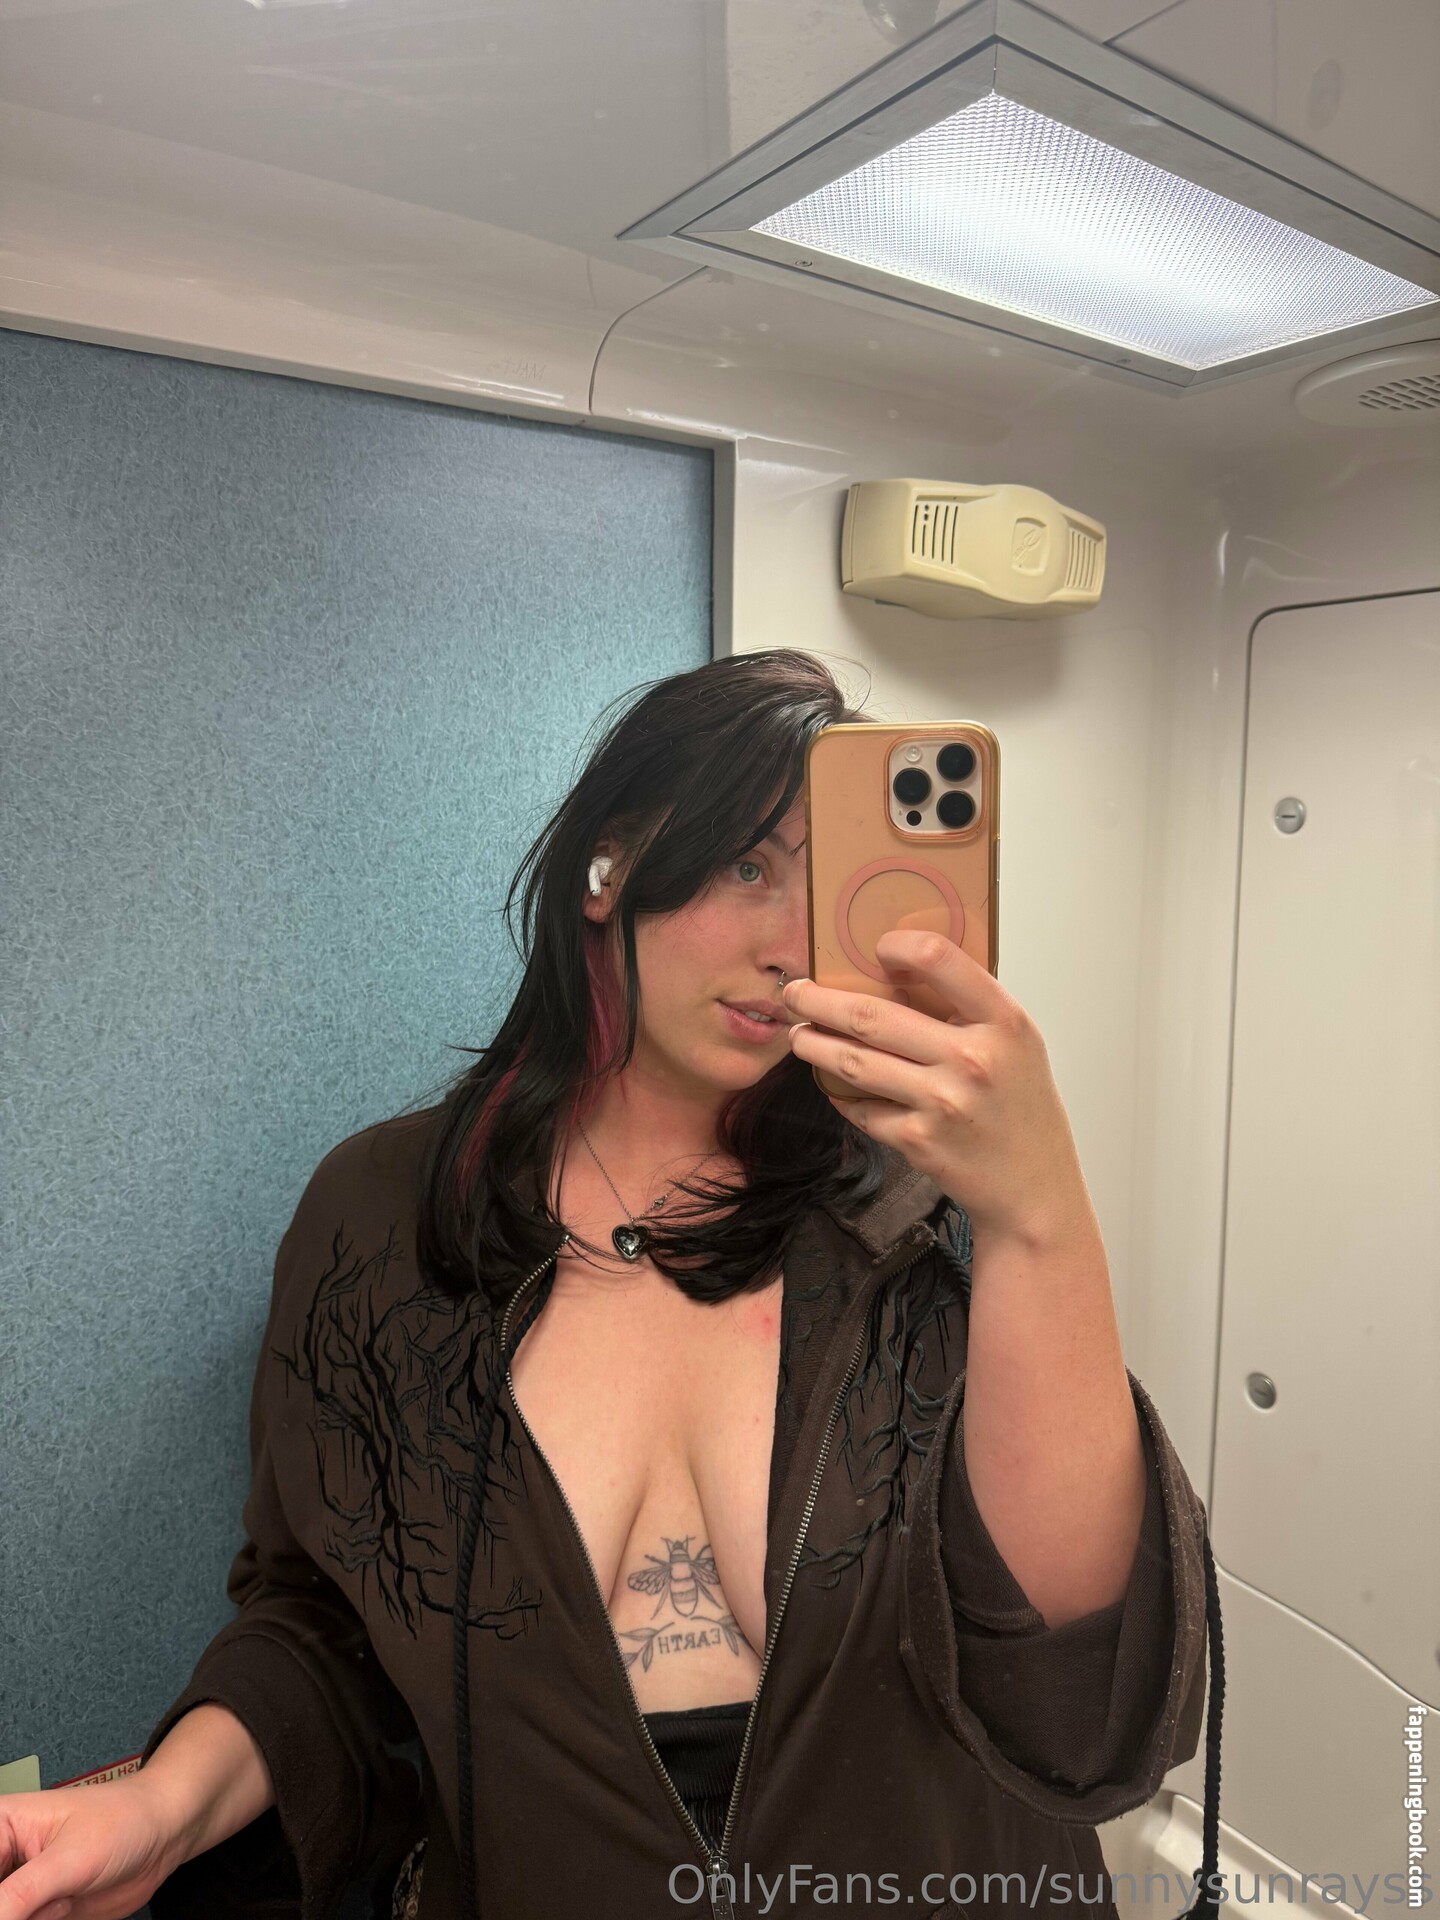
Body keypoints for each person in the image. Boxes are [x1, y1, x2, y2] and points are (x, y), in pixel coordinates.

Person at [0, 649, 1222, 1920]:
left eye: (832, 886)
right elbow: (324, 1626)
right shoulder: (385, 1220)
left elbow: (1075, 1702)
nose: (793, 947)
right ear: (609, 867)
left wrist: (1038, 1217)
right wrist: (154, 1808)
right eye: (749, 866)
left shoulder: (919, 1213)